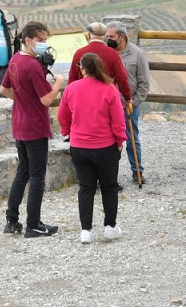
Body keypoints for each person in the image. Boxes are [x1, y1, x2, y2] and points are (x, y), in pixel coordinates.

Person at [0, 21, 64, 238]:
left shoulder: (15, 60)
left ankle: (12, 220)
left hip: (19, 123)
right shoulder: (33, 66)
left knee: (23, 172)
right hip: (35, 126)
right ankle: (33, 224)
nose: (44, 44)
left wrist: (23, 100)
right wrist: (59, 83)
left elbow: (3, 89)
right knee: (37, 176)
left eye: (45, 40)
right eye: (40, 40)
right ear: (28, 40)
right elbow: (46, 99)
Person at [58, 53, 127, 244]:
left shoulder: (72, 88)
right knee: (109, 187)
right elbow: (118, 120)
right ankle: (110, 227)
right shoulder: (109, 89)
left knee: (86, 187)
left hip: (79, 146)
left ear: (84, 69)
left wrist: (67, 133)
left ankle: (86, 231)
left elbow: (63, 116)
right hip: (105, 146)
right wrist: (120, 140)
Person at [105, 21, 150, 184]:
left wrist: (135, 102)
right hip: (107, 106)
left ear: (122, 37)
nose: (108, 39)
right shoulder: (106, 53)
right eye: (106, 36)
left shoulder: (137, 54)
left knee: (132, 138)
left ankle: (137, 171)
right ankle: (109, 174)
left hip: (128, 105)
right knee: (108, 140)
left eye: (111, 36)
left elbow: (144, 82)